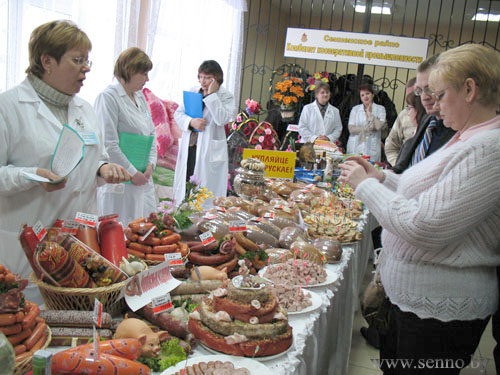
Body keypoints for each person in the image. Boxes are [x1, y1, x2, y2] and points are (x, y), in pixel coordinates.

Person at [339, 43, 500, 374]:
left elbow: (426, 223)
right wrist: (380, 178)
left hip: (441, 314)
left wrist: (365, 186)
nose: (435, 107)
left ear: (469, 90)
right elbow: (424, 192)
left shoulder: (489, 149)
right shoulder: (466, 136)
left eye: (440, 96)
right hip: (412, 304)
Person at [0, 20, 131, 304]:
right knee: (30, 327)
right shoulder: (7, 107)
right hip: (29, 247)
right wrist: (31, 176)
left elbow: (94, 155)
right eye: (77, 60)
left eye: (87, 60)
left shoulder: (84, 108)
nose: (86, 68)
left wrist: (102, 168)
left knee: (78, 323)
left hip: (80, 246)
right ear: (47, 61)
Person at [94, 47, 157, 226]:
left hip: (143, 177)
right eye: (143, 73)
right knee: (117, 232)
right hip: (120, 181)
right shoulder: (108, 98)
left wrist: (150, 165)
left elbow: (152, 133)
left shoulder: (140, 97)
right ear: (129, 71)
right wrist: (132, 172)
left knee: (142, 232)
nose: (147, 79)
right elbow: (109, 144)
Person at [173, 60, 236, 205]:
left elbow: (222, 119)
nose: (203, 81)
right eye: (201, 77)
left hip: (210, 148)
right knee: (187, 180)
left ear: (217, 78)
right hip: (191, 144)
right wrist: (190, 122)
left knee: (206, 190)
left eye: (207, 78)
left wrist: (211, 96)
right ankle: (182, 214)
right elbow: (178, 114)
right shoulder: (194, 91)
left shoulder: (226, 96)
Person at [392, 55, 456, 174]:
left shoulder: (458, 130)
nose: (424, 97)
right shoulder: (427, 121)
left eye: (430, 88)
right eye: (419, 91)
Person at [346, 83, 386, 162]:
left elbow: (378, 127)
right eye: (362, 95)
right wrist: (368, 129)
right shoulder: (355, 109)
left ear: (372, 94)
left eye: (367, 94)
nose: (365, 97)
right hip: (356, 145)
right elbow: (351, 129)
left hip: (372, 148)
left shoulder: (380, 109)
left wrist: (369, 114)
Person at [384, 78, 417, 166]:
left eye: (414, 96)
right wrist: (398, 165)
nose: (410, 100)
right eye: (408, 96)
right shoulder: (404, 115)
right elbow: (391, 146)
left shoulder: (437, 117)